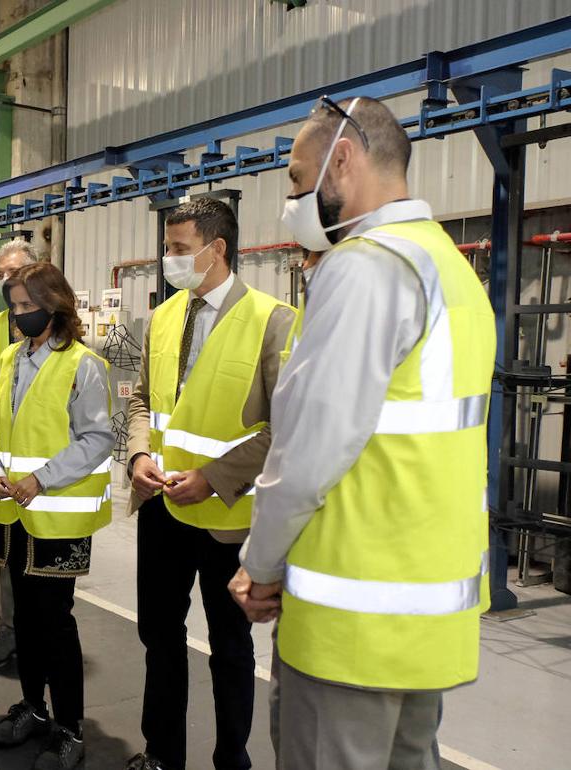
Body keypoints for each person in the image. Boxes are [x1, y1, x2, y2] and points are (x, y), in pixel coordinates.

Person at [230, 96, 493, 770]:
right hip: (425, 620)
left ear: (341, 159)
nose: (291, 198)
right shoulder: (448, 268)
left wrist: (259, 565)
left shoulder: (364, 264)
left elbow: (310, 450)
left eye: (296, 179)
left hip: (351, 622)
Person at [122, 197, 296, 770]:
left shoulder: (273, 321)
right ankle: (163, 754)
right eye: (167, 248)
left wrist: (216, 478)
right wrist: (140, 453)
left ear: (216, 249)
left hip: (229, 517)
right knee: (160, 638)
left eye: (178, 249)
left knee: (230, 650)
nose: (169, 259)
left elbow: (288, 428)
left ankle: (232, 760)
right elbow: (144, 400)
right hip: (163, 506)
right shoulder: (165, 314)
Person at [0, 262, 114, 770]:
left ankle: (71, 729)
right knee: (26, 623)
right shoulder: (13, 359)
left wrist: (43, 477)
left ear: (54, 306)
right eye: (13, 306)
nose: (18, 316)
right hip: (13, 515)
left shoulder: (84, 365)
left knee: (55, 624)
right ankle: (34, 709)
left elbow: (97, 439)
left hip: (57, 520)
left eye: (26, 307)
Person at [0, 238, 38, 672]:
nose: (6, 281)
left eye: (14, 272)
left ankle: (40, 634)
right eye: (0, 274)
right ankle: (8, 631)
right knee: (7, 555)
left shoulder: (58, 318)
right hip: (7, 463)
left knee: (45, 560)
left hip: (49, 465)